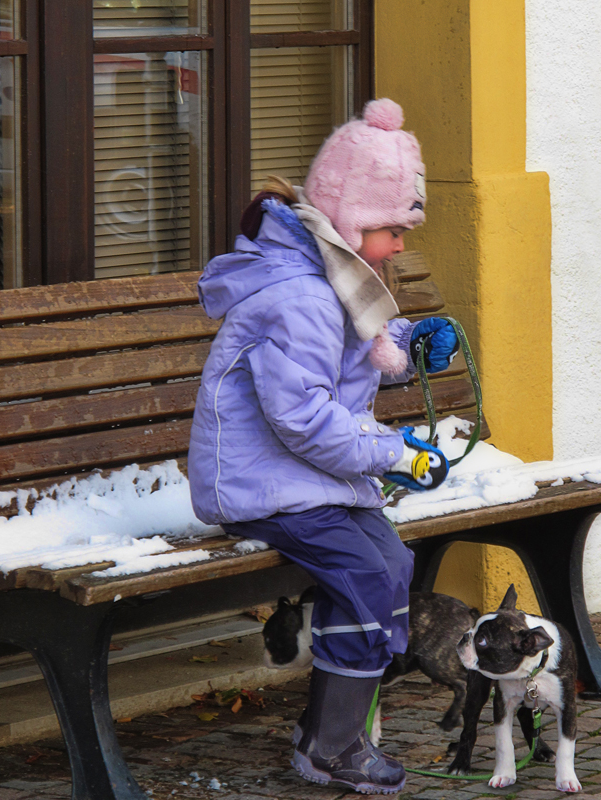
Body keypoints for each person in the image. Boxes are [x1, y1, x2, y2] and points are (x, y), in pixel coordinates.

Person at [188, 98, 459, 794]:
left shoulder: (330, 278)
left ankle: (331, 731)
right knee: (367, 578)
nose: (401, 245)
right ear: (348, 220)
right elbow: (302, 417)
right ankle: (332, 748)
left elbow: (338, 367)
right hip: (264, 484)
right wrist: (396, 453)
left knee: (391, 562)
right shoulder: (300, 295)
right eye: (390, 229)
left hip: (310, 481)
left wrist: (406, 345)